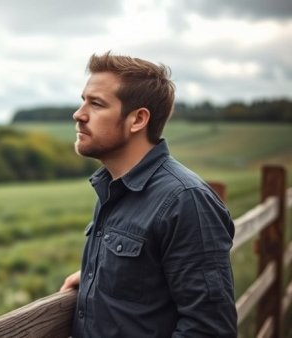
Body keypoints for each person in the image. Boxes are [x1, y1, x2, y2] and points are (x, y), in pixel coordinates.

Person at [59, 51, 237, 337]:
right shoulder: (112, 189)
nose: (78, 115)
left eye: (96, 104)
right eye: (83, 101)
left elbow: (209, 329)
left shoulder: (184, 199)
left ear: (138, 120)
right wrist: (101, 279)